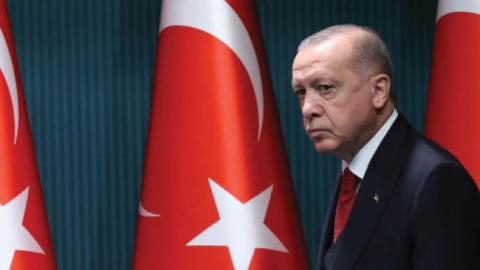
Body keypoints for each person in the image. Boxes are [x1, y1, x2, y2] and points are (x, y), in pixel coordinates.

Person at [291, 24, 480, 270]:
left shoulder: (436, 180)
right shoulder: (353, 171)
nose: (308, 109)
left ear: (379, 91)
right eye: (301, 92)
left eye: (325, 88)